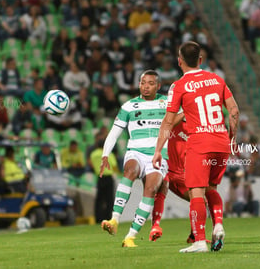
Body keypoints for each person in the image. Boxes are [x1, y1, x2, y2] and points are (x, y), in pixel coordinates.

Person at [153, 41, 239, 253]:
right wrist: (232, 136)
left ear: (179, 61)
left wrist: (157, 150)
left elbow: (167, 121)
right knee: (211, 188)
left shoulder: (180, 85)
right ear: (201, 60)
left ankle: (200, 241)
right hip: (221, 142)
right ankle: (218, 224)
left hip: (200, 142)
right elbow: (234, 111)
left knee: (197, 192)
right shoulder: (217, 79)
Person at [100, 70, 169, 248]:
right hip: (136, 151)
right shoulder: (129, 106)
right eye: (143, 82)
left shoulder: (168, 103)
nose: (146, 86)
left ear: (158, 86)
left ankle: (130, 236)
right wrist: (105, 154)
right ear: (139, 84)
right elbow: (114, 133)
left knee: (151, 189)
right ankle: (114, 220)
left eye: (150, 83)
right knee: (130, 170)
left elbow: (183, 118)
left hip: (158, 154)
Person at [90, 135, 118, 223]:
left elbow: (91, 164)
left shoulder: (93, 154)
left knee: (99, 199)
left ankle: (98, 218)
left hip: (99, 177)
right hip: (108, 177)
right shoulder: (109, 153)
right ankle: (108, 217)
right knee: (109, 199)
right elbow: (114, 166)